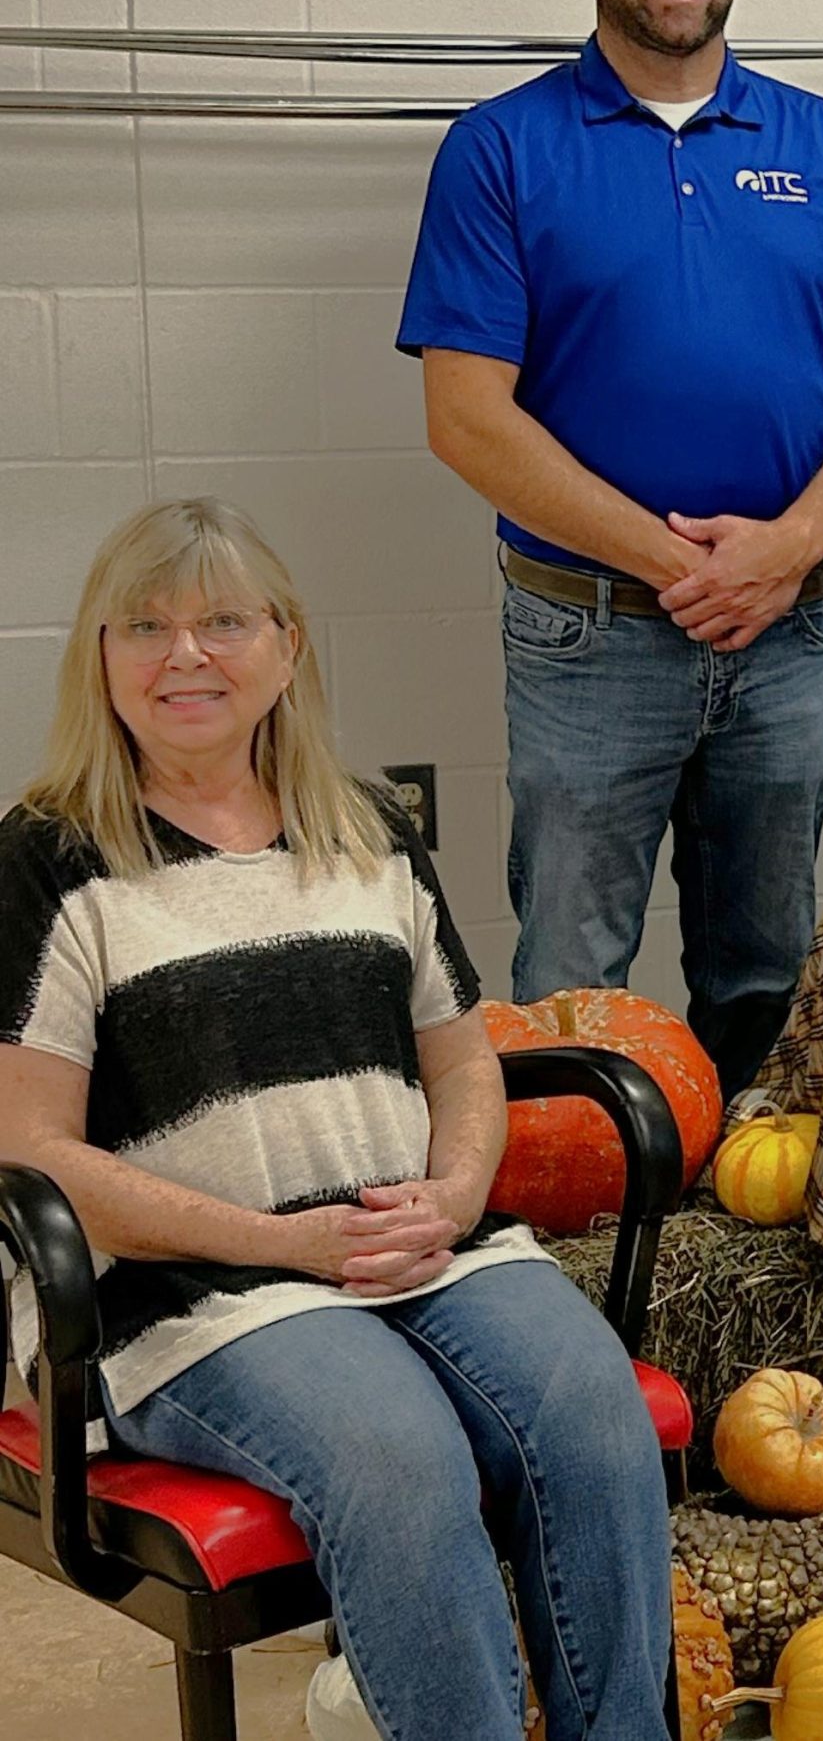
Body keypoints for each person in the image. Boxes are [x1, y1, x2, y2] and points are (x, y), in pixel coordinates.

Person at [0, 499, 671, 1740]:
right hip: (193, 1291)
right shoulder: (50, 856)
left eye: (220, 621)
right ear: (98, 656)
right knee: (397, 1458)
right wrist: (288, 1245)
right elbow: (33, 1152)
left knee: (591, 1411)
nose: (182, 654)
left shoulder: (366, 829)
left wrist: (456, 1195)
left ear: (288, 646)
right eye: (141, 625)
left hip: (414, 1243)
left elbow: (468, 1066)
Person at [399, 0, 823, 1094]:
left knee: (768, 966)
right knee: (574, 975)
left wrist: (785, 553)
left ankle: (742, 1246)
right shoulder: (502, 148)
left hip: (785, 629)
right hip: (590, 634)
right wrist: (685, 565)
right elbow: (466, 416)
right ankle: (585, 1251)